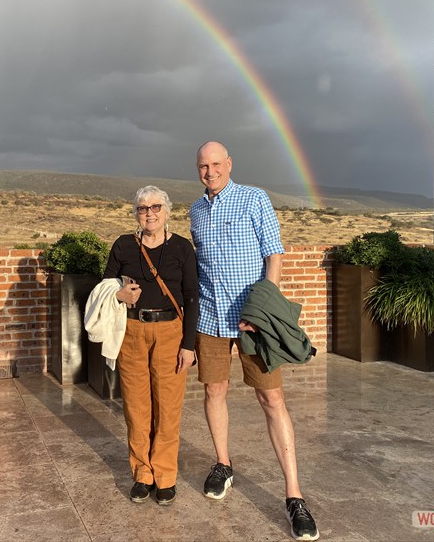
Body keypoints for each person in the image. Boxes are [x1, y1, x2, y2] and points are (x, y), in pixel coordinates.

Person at [190, 142, 319, 541]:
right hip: (210, 318)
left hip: (252, 322)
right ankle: (223, 464)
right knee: (214, 390)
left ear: (229, 164)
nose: (210, 171)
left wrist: (261, 311)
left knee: (272, 398)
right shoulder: (195, 210)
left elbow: (274, 255)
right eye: (203, 166)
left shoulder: (254, 198)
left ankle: (294, 496)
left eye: (216, 164)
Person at [98, 186, 199, 505]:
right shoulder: (124, 245)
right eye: (143, 208)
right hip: (132, 331)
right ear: (136, 214)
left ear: (167, 211)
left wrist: (189, 345)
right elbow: (105, 286)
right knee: (136, 406)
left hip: (170, 332)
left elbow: (191, 297)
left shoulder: (182, 248)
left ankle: (165, 476)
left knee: (168, 407)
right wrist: (119, 295)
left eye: (156, 207)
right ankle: (142, 473)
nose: (149, 213)